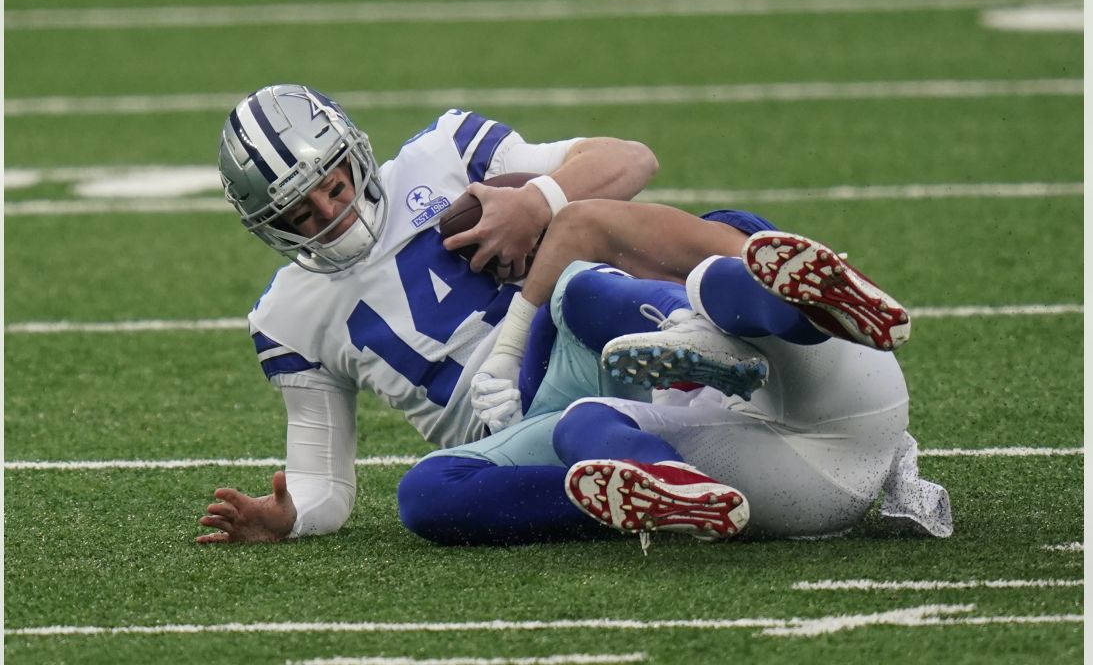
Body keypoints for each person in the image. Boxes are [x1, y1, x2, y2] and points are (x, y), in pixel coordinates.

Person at [196, 83, 657, 544]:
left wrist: (537, 202)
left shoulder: (445, 155)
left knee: (587, 290)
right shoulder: (286, 319)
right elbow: (323, 486)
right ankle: (629, 493)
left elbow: (631, 160)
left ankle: (713, 341)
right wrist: (292, 517)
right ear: (274, 228)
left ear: (354, 156)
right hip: (515, 436)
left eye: (334, 187)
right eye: (301, 215)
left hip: (571, 354)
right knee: (424, 496)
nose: (332, 213)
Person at [395, 206, 951, 546]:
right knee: (445, 483)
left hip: (797, 467)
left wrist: (509, 343)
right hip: (835, 433)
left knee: (656, 289)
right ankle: (667, 485)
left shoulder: (632, 288)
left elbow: (593, 218)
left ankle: (752, 330)